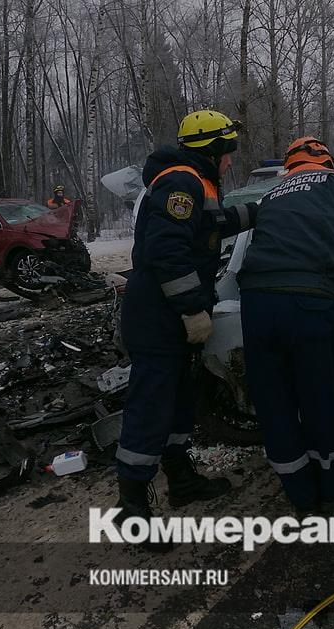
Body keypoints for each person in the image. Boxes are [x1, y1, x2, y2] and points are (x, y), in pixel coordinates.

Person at [115, 109, 256, 551]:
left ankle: (180, 479)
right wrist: (193, 309)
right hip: (159, 318)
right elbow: (166, 252)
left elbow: (214, 226)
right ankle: (131, 511)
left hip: (172, 317)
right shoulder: (181, 182)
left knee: (178, 405)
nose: (231, 160)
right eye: (228, 151)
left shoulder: (199, 184)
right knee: (150, 408)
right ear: (211, 150)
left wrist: (260, 211)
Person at [237, 137, 334, 512]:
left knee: (273, 402)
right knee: (319, 399)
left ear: (289, 166)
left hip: (256, 302)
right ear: (328, 162)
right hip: (312, 302)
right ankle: (330, 487)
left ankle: (300, 495)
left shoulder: (272, 194)